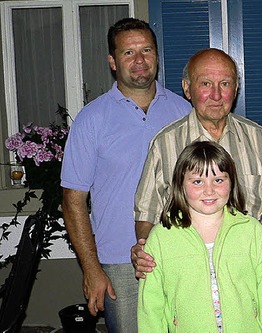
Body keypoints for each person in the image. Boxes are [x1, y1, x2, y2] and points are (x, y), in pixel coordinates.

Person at [60, 18, 191, 332]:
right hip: (121, 264)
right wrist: (92, 269)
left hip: (184, 254)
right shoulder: (91, 119)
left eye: (146, 50)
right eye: (128, 52)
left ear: (157, 55)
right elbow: (72, 201)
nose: (140, 60)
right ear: (112, 61)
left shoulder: (184, 112)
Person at [131, 48, 262, 277]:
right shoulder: (165, 144)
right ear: (187, 88)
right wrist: (144, 247)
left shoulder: (259, 139)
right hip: (186, 273)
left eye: (225, 84)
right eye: (205, 84)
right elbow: (146, 214)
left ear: (235, 89)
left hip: (249, 269)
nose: (216, 95)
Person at [137, 141, 262, 332]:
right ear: (180, 184)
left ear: (231, 182)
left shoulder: (252, 232)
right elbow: (150, 309)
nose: (209, 190)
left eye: (218, 180)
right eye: (197, 181)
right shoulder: (160, 238)